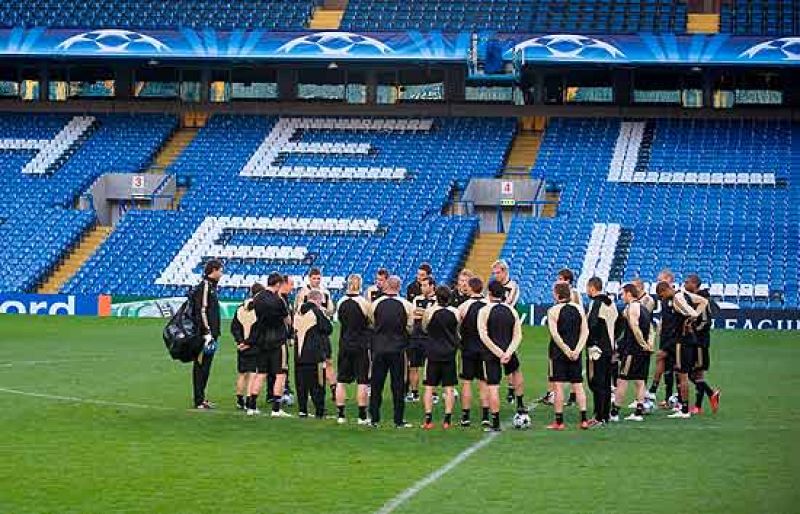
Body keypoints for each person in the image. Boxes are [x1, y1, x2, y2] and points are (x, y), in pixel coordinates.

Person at [655, 281, 708, 420]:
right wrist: (694, 315)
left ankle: (684, 410)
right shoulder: (684, 294)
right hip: (690, 340)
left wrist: (691, 317)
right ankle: (684, 407)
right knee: (683, 374)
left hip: (682, 341)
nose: (664, 298)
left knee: (682, 375)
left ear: (665, 291)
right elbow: (703, 301)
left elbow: (691, 312)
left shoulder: (677, 298)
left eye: (662, 295)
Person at [368, 275, 415, 428]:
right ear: (399, 287)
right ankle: (398, 420)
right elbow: (410, 326)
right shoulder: (407, 305)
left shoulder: (375, 304)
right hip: (398, 349)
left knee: (376, 385)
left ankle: (374, 418)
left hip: (379, 348)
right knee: (398, 386)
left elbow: (372, 322)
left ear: (386, 285)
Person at [478, 281, 524, 432]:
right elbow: (518, 335)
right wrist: (508, 352)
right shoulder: (511, 310)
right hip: (508, 350)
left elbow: (483, 335)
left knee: (493, 386)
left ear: (489, 293)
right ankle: (520, 404)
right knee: (516, 372)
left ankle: (495, 422)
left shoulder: (484, 311)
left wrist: (498, 352)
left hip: (491, 353)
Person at [546, 283, 590, 430]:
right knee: (578, 385)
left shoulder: (553, 310)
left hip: (558, 352)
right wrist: (577, 350)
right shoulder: (579, 309)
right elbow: (585, 332)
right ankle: (584, 419)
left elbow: (555, 334)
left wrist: (565, 350)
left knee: (558, 386)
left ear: (557, 295)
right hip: (575, 351)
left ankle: (559, 421)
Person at [248, 272, 292, 417]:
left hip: (262, 340)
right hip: (277, 339)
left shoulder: (258, 298)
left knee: (261, 373)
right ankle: (276, 408)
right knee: (280, 374)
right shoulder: (278, 300)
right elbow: (287, 319)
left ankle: (252, 406)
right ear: (278, 284)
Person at [610, 284, 653, 422]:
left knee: (622, 380)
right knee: (640, 381)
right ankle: (639, 412)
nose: (622, 297)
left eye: (623, 294)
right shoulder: (643, 308)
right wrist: (649, 345)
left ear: (629, 294)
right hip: (642, 351)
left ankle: (614, 413)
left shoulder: (632, 308)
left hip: (632, 350)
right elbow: (652, 329)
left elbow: (635, 327)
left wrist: (642, 344)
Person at [421, 285, 460, 430]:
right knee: (449, 387)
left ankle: (428, 419)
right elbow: (457, 328)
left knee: (429, 387)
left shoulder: (430, 311)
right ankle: (447, 420)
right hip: (449, 353)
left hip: (433, 353)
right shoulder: (455, 312)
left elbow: (425, 327)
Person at [295, 268, 336, 401]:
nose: (316, 281)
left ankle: (333, 388)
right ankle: (310, 390)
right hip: (309, 332)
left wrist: (324, 311)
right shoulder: (303, 292)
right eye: (314, 278)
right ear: (309, 278)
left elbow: (331, 310)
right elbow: (299, 309)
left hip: (322, 330)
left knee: (328, 361)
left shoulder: (325, 292)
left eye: (318, 278)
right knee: (311, 363)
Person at [335, 274, 372, 425]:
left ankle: (341, 414)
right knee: (362, 381)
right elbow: (370, 321)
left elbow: (340, 320)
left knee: (341, 381)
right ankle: (362, 415)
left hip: (344, 344)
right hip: (360, 344)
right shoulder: (364, 303)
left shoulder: (341, 302)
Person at [683, 274, 721, 414]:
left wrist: (693, 331)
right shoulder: (693, 298)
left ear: (694, 284)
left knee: (695, 374)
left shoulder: (702, 300)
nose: (685, 284)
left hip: (699, 342)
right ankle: (700, 405)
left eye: (687, 282)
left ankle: (709, 396)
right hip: (695, 341)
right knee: (695, 375)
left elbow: (705, 321)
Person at [293, 290, 333, 419]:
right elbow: (328, 328)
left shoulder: (298, 311)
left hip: (299, 354)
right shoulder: (317, 312)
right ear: (318, 300)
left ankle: (302, 410)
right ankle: (319, 411)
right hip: (314, 355)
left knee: (301, 384)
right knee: (317, 384)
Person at [457, 277, 489, 427]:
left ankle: (465, 416)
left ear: (470, 288)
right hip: (484, 349)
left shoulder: (464, 306)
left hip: (467, 349)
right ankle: (485, 416)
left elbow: (456, 326)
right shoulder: (488, 305)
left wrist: (460, 339)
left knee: (467, 383)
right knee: (484, 383)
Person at [585, 277, 617, 427]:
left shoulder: (596, 303)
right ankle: (606, 414)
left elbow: (592, 324)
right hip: (610, 347)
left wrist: (591, 343)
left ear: (592, 288)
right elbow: (619, 323)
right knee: (605, 382)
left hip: (598, 348)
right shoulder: (611, 303)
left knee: (596, 382)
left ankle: (599, 416)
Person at [191, 259, 223, 409]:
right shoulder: (204, 286)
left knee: (206, 366)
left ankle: (202, 397)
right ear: (214, 270)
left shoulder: (211, 286)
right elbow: (202, 310)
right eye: (221, 270)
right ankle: (198, 400)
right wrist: (207, 331)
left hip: (211, 334)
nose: (222, 274)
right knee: (200, 365)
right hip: (204, 335)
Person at [490, 259, 522, 405]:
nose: (495, 275)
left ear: (504, 271)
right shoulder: (493, 286)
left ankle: (513, 392)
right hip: (495, 325)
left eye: (497, 272)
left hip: (508, 325)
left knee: (511, 361)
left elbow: (509, 303)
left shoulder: (512, 286)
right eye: (494, 273)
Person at [230, 283, 265, 411]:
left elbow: (234, 327)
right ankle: (250, 399)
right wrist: (248, 343)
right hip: (254, 346)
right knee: (252, 373)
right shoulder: (259, 309)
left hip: (241, 346)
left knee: (242, 373)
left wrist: (240, 342)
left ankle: (239, 399)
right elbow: (258, 330)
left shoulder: (240, 308)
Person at [648, 269, 678, 407]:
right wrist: (660, 325)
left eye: (661, 279)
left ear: (669, 279)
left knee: (667, 362)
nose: (658, 282)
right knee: (666, 365)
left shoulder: (676, 296)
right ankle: (668, 396)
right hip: (665, 335)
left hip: (673, 337)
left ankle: (655, 392)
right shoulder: (664, 297)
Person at [406, 276, 436, 403]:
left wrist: (423, 313)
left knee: (431, 365)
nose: (422, 288)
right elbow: (414, 314)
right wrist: (425, 313)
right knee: (413, 365)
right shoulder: (417, 299)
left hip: (430, 336)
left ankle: (433, 393)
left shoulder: (437, 300)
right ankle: (414, 392)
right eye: (421, 285)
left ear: (432, 286)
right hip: (416, 335)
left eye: (424, 285)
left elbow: (432, 316)